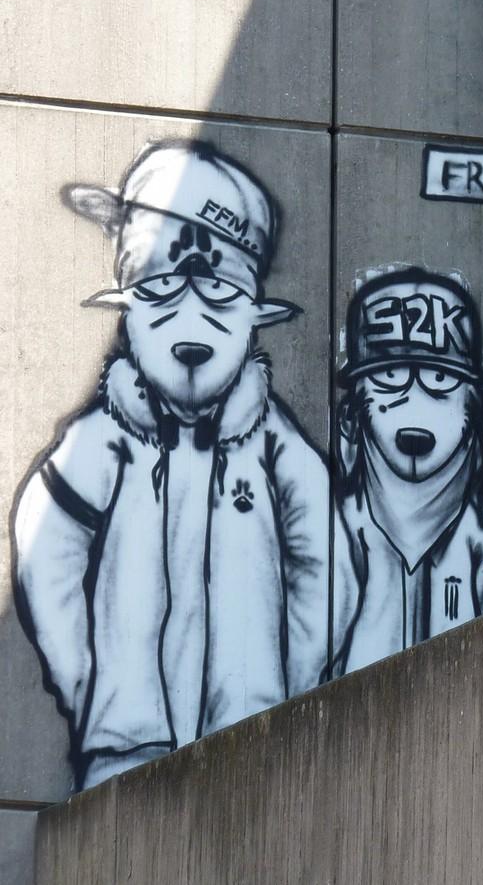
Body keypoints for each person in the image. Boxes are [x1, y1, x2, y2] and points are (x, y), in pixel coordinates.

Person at [12, 141, 352, 789]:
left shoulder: (274, 445)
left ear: (253, 316)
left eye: (219, 293)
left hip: (250, 751)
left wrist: (285, 689)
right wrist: (93, 690)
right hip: (123, 755)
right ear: (129, 310)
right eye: (161, 290)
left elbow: (328, 570)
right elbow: (46, 553)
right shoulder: (104, 440)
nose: (189, 316)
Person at [335, 267, 483, 670]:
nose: (414, 403)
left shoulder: (479, 533)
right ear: (356, 406)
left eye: (439, 379)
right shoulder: (347, 525)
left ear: (471, 404)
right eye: (391, 377)